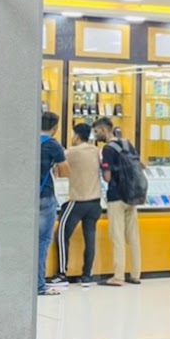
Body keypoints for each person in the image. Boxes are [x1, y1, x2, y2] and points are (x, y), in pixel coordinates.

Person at [50, 122, 102, 289]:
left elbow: (59, 170)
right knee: (90, 238)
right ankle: (87, 276)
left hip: (77, 200)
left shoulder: (71, 152)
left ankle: (61, 274)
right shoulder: (96, 151)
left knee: (61, 234)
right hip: (95, 202)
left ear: (77, 136)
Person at [97, 116, 142, 287]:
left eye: (97, 131)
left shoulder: (108, 149)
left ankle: (118, 276)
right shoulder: (127, 143)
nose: (96, 135)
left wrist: (102, 167)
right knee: (133, 237)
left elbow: (107, 178)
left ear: (104, 130)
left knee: (117, 236)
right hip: (133, 195)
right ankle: (136, 274)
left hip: (116, 197)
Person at [38, 111, 68, 297]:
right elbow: (65, 171)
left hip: (26, 198)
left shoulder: (29, 140)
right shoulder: (53, 145)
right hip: (45, 197)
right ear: (55, 127)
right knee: (42, 241)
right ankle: (39, 285)